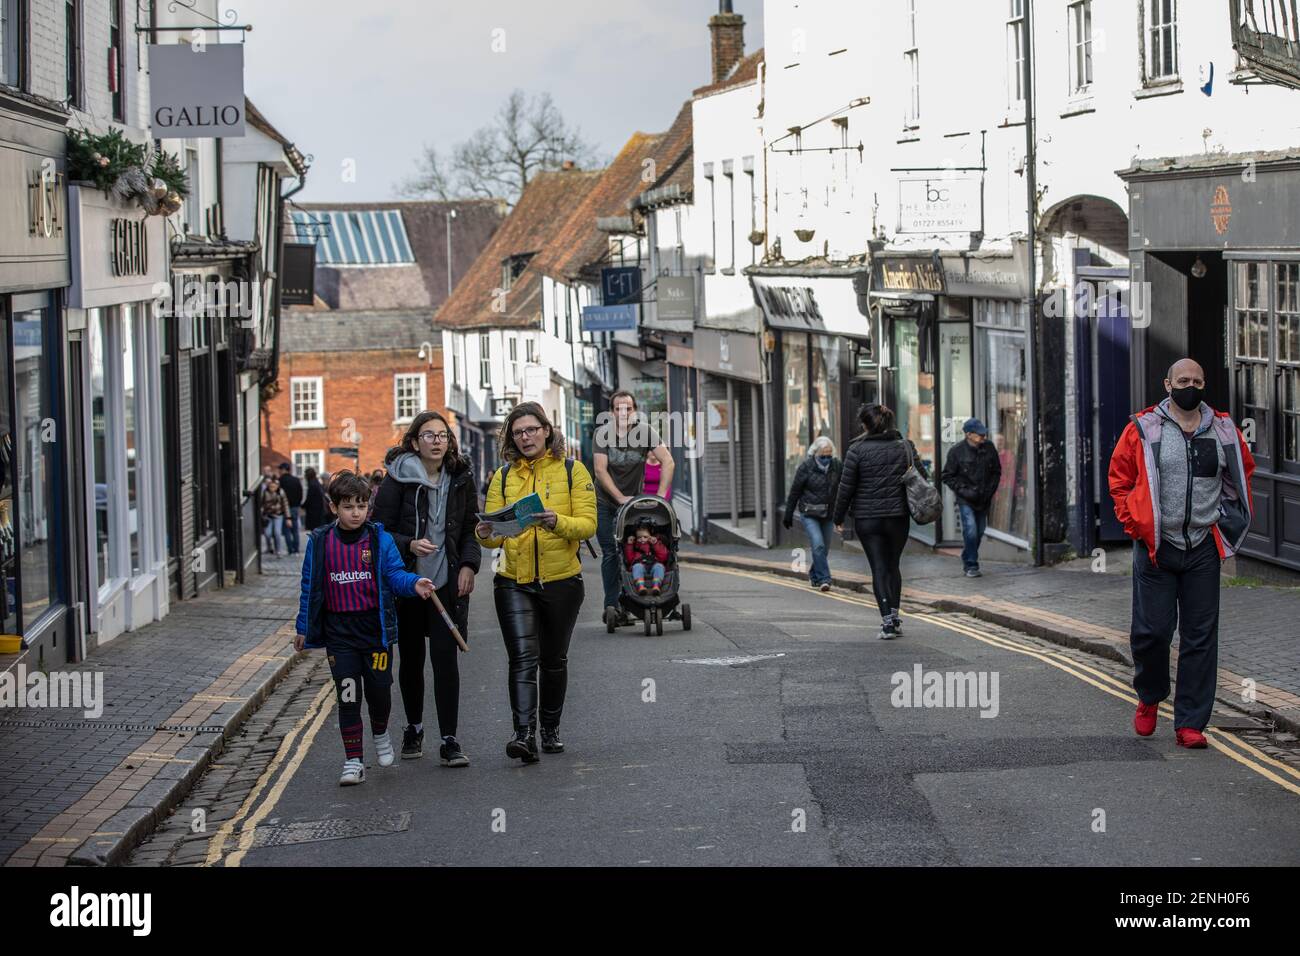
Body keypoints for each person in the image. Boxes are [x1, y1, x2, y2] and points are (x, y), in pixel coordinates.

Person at [1107, 358, 1254, 750]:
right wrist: (1134, 522)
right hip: (1157, 546)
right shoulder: (1144, 427)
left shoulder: (1223, 429)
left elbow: (1240, 475)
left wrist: (1224, 520)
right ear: (1168, 384)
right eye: (1183, 380)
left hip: (1202, 546)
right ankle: (1150, 694)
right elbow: (1119, 479)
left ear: (1205, 385)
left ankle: (1191, 723)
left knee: (1200, 638)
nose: (1191, 385)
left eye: (1198, 380)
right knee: (1152, 633)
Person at [294, 472, 435, 786]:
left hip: (375, 633)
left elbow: (395, 575)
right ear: (334, 508)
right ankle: (353, 760)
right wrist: (303, 627)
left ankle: (381, 732)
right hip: (339, 634)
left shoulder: (379, 539)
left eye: (361, 506)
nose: (356, 513)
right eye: (348, 507)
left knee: (379, 692)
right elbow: (309, 588)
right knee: (348, 696)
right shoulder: (320, 542)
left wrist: (415, 583)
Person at [475, 402, 596, 763]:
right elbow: (493, 536)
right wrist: (485, 533)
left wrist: (556, 521)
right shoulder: (502, 476)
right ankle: (523, 734)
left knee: (553, 659)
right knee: (522, 659)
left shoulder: (573, 470)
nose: (525, 437)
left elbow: (589, 524)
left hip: (562, 581)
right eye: (518, 433)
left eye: (531, 430)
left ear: (546, 430)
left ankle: (549, 729)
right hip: (514, 580)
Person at [371, 411, 481, 767]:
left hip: (446, 582)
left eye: (442, 435)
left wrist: (468, 564)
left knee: (445, 659)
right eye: (428, 435)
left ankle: (449, 739)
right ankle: (414, 728)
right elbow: (379, 531)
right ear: (415, 442)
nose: (437, 441)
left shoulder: (461, 478)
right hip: (409, 583)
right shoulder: (396, 479)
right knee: (413, 659)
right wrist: (409, 545)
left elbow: (469, 528)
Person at [833, 403, 928, 640]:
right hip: (897, 517)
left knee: (878, 567)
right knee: (893, 565)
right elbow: (922, 478)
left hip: (867, 519)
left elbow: (846, 488)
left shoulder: (856, 450)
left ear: (865, 425)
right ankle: (895, 617)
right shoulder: (905, 447)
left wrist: (838, 517)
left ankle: (886, 623)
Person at [593, 391, 673, 625]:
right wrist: (618, 497)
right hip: (605, 503)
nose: (623, 412)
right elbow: (600, 470)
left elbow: (668, 461)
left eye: (627, 408)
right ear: (611, 413)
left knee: (631, 552)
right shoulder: (602, 434)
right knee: (611, 552)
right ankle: (612, 606)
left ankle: (629, 603)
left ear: (634, 411)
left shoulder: (645, 432)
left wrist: (660, 496)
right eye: (618, 408)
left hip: (633, 506)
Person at [940, 418, 1002, 578]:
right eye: (980, 434)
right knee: (971, 530)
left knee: (980, 531)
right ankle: (971, 565)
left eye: (984, 433)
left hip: (984, 497)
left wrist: (990, 491)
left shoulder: (989, 448)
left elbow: (996, 471)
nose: (983, 436)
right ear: (968, 434)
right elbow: (947, 476)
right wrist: (964, 491)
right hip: (966, 498)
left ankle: (967, 555)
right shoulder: (956, 451)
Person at [783, 436, 842, 592]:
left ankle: (815, 575)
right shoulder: (806, 467)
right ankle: (825, 579)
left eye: (829, 456)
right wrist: (788, 514)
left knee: (824, 549)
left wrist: (841, 514)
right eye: (823, 456)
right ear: (815, 454)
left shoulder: (837, 466)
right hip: (809, 513)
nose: (826, 459)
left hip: (828, 514)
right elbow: (795, 492)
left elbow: (844, 489)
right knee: (818, 544)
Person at [623, 519, 670, 596]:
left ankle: (656, 586)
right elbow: (629, 559)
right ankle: (641, 587)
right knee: (637, 567)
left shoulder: (656, 543)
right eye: (639, 537)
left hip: (654, 564)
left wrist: (656, 544)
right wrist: (629, 545)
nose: (642, 539)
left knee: (659, 566)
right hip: (640, 565)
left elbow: (664, 557)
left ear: (651, 536)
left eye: (645, 537)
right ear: (635, 538)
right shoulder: (634, 546)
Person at [278, 462, 304, 555]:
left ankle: (290, 549)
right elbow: (301, 493)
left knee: (286, 529)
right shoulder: (296, 480)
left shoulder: (280, 481)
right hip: (295, 507)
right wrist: (298, 504)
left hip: (285, 508)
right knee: (295, 529)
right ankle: (296, 549)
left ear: (283, 470)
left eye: (280, 469)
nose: (279, 471)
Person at [261, 478, 289, 557]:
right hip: (268, 516)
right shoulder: (265, 492)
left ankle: (278, 550)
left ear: (277, 486)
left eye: (274, 486)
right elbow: (261, 504)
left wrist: (288, 517)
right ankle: (269, 547)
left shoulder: (281, 492)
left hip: (278, 515)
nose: (272, 488)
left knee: (277, 533)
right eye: (271, 486)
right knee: (267, 534)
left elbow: (285, 505)